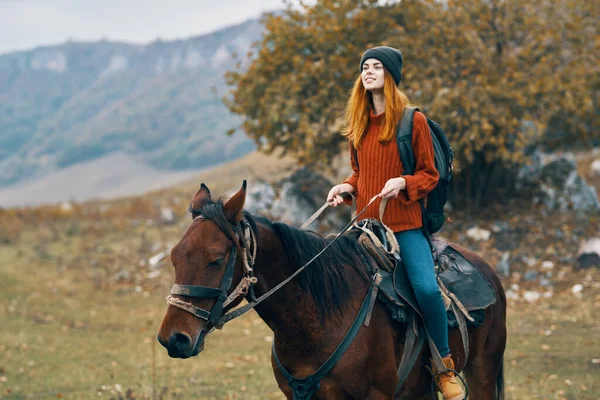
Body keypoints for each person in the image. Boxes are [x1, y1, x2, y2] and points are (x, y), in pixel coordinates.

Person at [326, 46, 464, 400]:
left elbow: (429, 175)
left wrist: (404, 182)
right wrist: (346, 186)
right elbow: (361, 173)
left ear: (390, 75)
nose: (369, 72)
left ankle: (443, 367)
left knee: (427, 290)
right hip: (364, 229)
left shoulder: (411, 121)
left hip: (404, 227)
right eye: (364, 67)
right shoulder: (359, 122)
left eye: (377, 67)